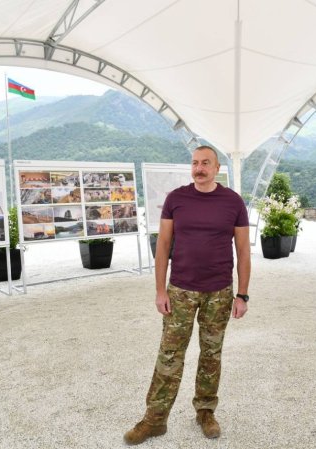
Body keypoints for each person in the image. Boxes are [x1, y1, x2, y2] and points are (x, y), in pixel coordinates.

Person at [124, 145, 251, 445]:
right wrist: (160, 290)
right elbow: (163, 246)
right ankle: (155, 419)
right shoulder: (176, 199)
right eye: (195, 163)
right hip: (180, 290)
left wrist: (242, 295)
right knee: (169, 354)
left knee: (211, 354)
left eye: (206, 163)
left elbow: (243, 250)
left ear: (217, 168)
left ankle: (205, 412)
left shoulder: (233, 202)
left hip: (219, 292)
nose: (199, 168)